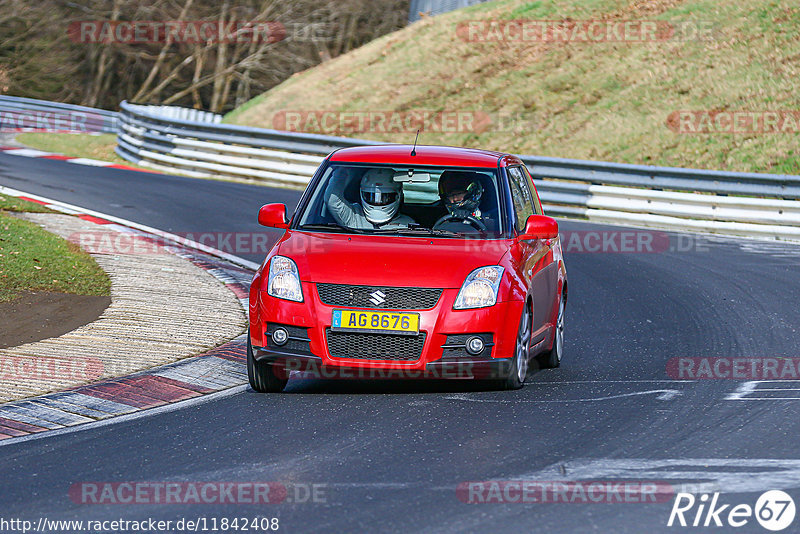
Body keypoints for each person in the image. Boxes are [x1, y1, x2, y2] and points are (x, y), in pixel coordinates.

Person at [324, 167, 417, 230]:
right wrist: (342, 172)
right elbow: (332, 200)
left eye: (385, 197)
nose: (378, 202)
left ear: (398, 196)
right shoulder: (354, 215)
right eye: (371, 196)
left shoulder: (407, 223)